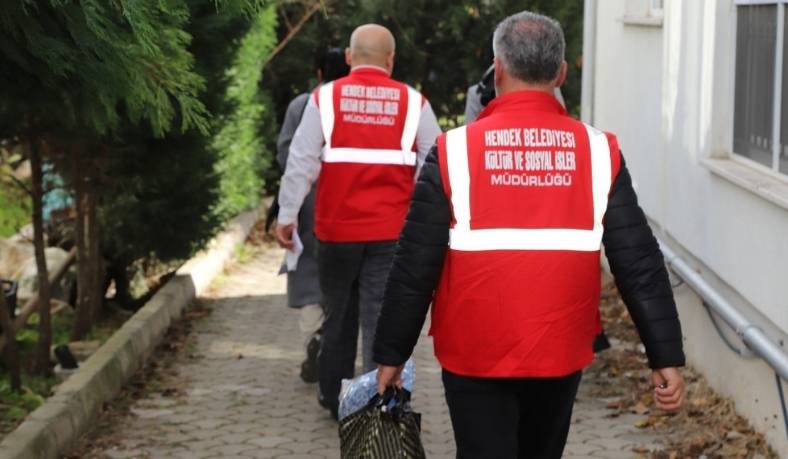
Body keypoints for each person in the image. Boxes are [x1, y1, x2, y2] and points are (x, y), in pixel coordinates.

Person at [374, 11, 686, 458]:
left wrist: (391, 354)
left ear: (497, 69)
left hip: (473, 353)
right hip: (558, 351)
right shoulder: (600, 151)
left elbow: (413, 266)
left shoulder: (453, 150)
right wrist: (665, 356)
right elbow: (639, 264)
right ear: (560, 73)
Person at [275, 24, 441, 419]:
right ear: (391, 59)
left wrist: (287, 216)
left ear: (349, 57)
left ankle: (334, 398)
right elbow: (434, 164)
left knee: (339, 314)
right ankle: (379, 406)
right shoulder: (414, 103)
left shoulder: (325, 98)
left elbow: (300, 160)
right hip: (390, 233)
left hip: (335, 231)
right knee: (381, 318)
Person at [275, 48, 350, 383]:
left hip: (307, 201)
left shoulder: (301, 104)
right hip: (348, 201)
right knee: (345, 275)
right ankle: (333, 340)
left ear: (319, 73)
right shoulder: (353, 103)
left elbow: (286, 154)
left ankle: (315, 337)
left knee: (307, 274)